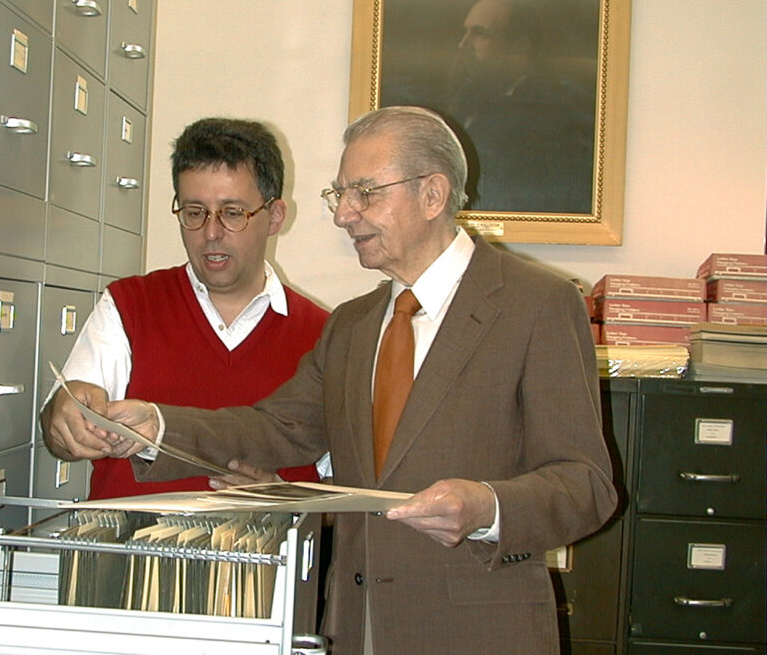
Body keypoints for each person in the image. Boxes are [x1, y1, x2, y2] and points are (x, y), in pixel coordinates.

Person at [68, 106, 617, 654]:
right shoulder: (353, 324)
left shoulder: (538, 304)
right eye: (340, 194)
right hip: (354, 628)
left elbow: (586, 484)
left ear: (432, 194)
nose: (343, 215)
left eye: (364, 193)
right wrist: (156, 428)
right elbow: (277, 428)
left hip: (477, 633)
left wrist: (487, 508)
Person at [40, 117, 328, 499]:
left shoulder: (325, 334)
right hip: (131, 537)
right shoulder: (129, 306)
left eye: (232, 213)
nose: (211, 233)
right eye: (194, 212)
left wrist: (286, 498)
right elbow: (61, 431)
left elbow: (342, 489)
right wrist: (62, 418)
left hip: (265, 539)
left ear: (274, 217)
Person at [446, 0, 595, 214]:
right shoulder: (462, 101)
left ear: (520, 48)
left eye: (480, 34)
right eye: (466, 32)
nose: (463, 45)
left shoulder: (556, 118)